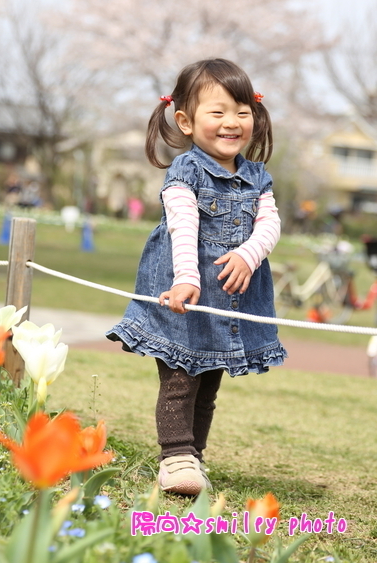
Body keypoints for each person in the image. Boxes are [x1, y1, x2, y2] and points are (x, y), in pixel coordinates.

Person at [107, 58, 287, 495]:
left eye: (242, 112)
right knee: (180, 380)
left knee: (208, 384)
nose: (232, 122)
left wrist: (248, 254)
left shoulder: (257, 177)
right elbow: (182, 226)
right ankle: (175, 458)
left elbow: (270, 225)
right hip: (182, 295)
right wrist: (186, 277)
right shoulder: (186, 171)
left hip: (228, 303)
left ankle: (194, 456)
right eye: (218, 112)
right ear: (186, 121)